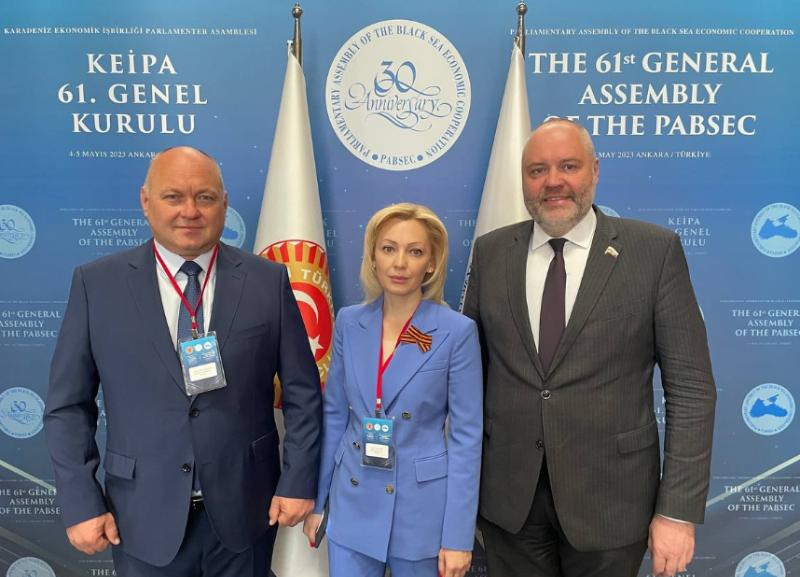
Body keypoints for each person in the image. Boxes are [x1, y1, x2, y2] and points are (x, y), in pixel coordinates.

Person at [44, 146, 322, 577]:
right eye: (173, 196)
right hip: (140, 519)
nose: (190, 211)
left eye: (204, 197)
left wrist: (299, 479)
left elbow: (303, 393)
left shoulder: (267, 281)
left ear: (224, 203)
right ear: (146, 201)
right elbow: (67, 407)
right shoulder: (96, 285)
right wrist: (81, 502)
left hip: (246, 514)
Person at [463, 119, 716, 577]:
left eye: (568, 166)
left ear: (595, 170)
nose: (553, 181)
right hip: (509, 504)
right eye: (537, 170)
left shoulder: (653, 251)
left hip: (612, 505)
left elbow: (692, 390)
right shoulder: (491, 253)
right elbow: (468, 378)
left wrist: (677, 511)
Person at [302, 203, 483, 577]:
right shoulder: (350, 322)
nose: (400, 263)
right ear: (373, 257)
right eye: (389, 249)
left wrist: (458, 538)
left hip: (421, 514)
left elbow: (467, 439)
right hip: (352, 502)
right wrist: (319, 503)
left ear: (431, 263)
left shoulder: (457, 332)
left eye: (415, 252)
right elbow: (334, 416)